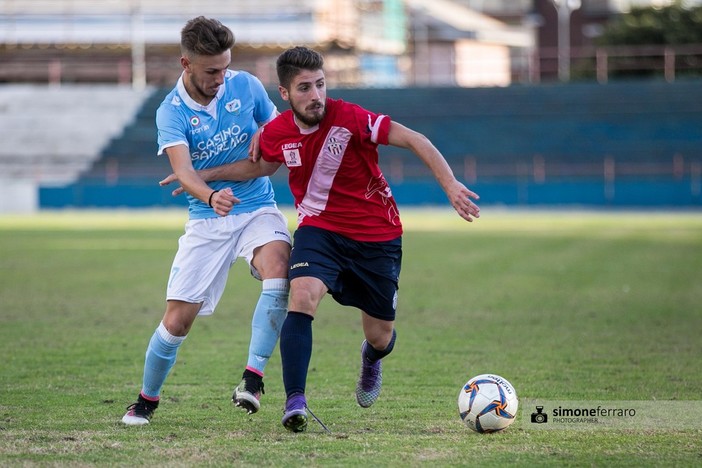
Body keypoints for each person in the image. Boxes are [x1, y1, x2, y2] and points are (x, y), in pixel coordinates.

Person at [161, 46, 480, 432]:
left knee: (380, 336)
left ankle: (372, 359)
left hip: (376, 235)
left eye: (320, 85)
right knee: (301, 295)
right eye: (305, 88)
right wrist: (203, 176)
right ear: (285, 94)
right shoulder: (277, 131)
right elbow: (261, 164)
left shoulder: (352, 118)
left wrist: (450, 186)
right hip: (319, 229)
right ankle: (295, 401)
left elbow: (415, 139)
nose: (316, 96)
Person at [121, 16, 291, 425]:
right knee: (177, 321)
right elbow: (183, 172)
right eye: (212, 70)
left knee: (280, 272)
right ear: (186, 64)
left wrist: (268, 135)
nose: (221, 77)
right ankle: (147, 400)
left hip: (257, 209)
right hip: (207, 221)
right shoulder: (171, 111)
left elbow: (276, 143)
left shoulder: (246, 86)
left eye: (225, 66)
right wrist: (211, 195)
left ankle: (253, 379)